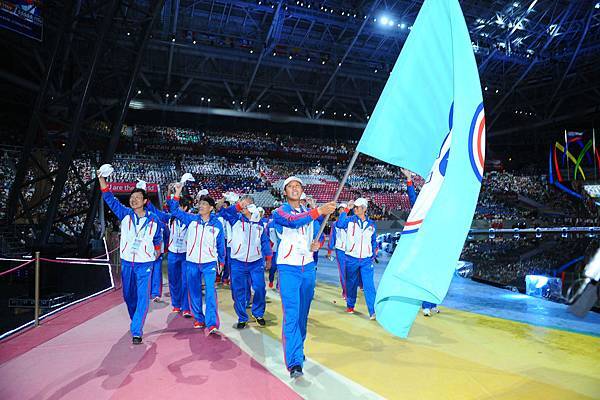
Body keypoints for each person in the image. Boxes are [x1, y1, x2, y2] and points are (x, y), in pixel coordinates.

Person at [272, 176, 336, 378]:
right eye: (290, 186)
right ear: (285, 192)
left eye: (297, 186)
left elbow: (318, 234)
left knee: (302, 315)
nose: (294, 188)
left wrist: (316, 244)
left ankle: (298, 348)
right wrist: (318, 211)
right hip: (288, 268)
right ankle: (294, 363)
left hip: (308, 267)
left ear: (302, 191)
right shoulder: (279, 212)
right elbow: (292, 222)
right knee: (291, 314)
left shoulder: (308, 214)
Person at [98, 172, 162, 345]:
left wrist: (157, 250)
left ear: (145, 201)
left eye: (137, 197)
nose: (133, 200)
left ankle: (136, 330)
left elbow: (157, 238)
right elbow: (109, 198)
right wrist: (101, 179)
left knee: (142, 297)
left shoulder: (154, 219)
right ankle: (136, 319)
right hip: (127, 263)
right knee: (128, 296)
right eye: (132, 197)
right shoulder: (125, 214)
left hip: (145, 264)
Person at [169, 183, 226, 334]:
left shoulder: (217, 225)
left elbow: (221, 245)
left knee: (210, 292)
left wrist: (221, 262)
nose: (201, 206)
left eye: (204, 204)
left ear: (211, 208)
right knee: (194, 291)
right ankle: (199, 319)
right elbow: (174, 210)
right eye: (200, 203)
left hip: (209, 264)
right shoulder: (191, 220)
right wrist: (178, 192)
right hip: (192, 262)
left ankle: (212, 323)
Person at [220, 195, 272, 328]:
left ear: (252, 206)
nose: (243, 206)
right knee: (238, 290)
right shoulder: (235, 219)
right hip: (238, 261)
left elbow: (264, 241)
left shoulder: (259, 223)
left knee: (260, 288)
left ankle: (258, 313)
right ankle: (242, 317)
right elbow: (223, 212)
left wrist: (269, 258)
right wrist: (237, 206)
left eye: (246, 204)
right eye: (241, 204)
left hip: (255, 262)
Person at [401, 168, 442, 317]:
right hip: (423, 245)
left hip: (436, 245)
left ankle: (432, 303)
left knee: (435, 275)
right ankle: (425, 305)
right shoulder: (422, 209)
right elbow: (413, 198)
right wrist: (409, 179)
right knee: (425, 275)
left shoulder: (440, 209)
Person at [336, 198, 377, 320]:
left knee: (369, 285)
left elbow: (373, 241)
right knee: (351, 283)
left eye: (357, 207)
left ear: (364, 209)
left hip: (366, 260)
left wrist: (372, 254)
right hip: (351, 258)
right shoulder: (349, 220)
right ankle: (350, 305)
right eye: (354, 207)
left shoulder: (371, 224)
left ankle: (373, 311)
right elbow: (339, 224)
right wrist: (347, 209)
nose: (355, 209)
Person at [328, 203, 348, 299]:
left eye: (344, 209)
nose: (342, 211)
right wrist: (329, 250)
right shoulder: (336, 224)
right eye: (340, 209)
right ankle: (346, 292)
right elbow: (332, 237)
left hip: (351, 250)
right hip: (340, 250)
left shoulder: (351, 222)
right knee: (343, 272)